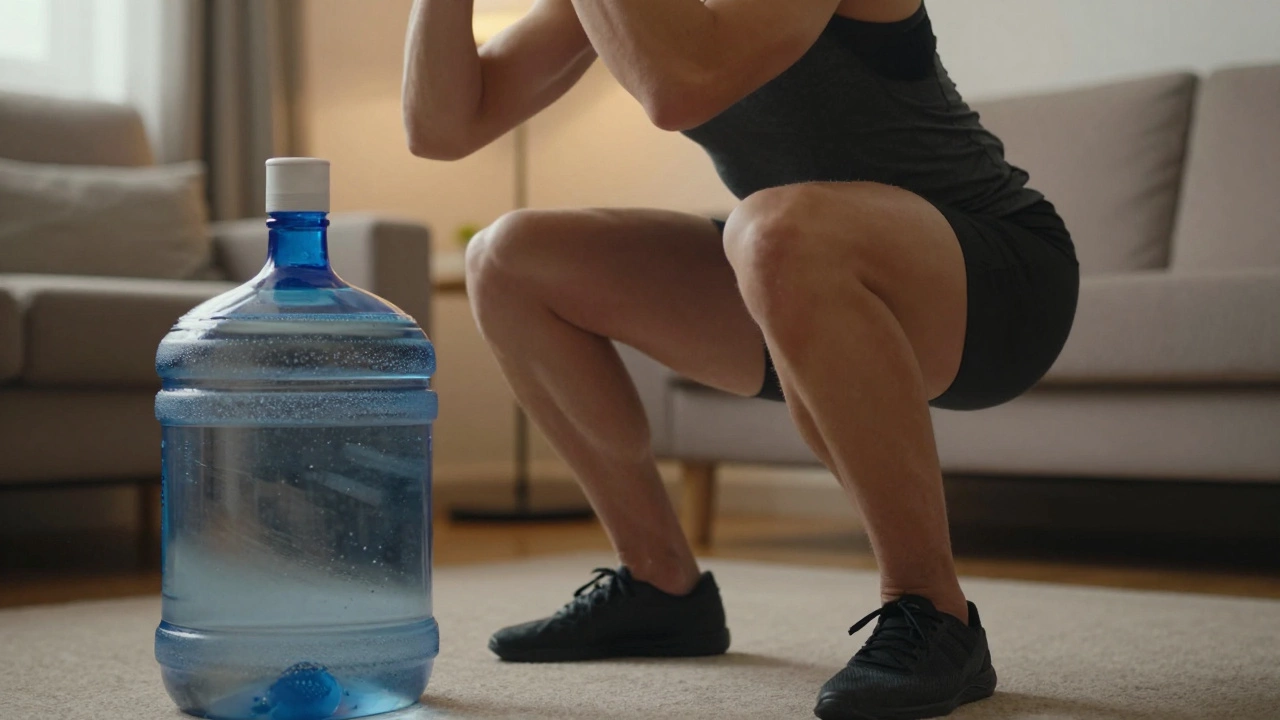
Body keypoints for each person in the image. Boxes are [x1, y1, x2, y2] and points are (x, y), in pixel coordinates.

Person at [403, 0, 1078, 717]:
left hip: (997, 282)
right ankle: (658, 581)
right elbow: (441, 128)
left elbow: (678, 85)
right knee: (506, 259)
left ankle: (932, 609)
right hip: (795, 271)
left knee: (772, 227)